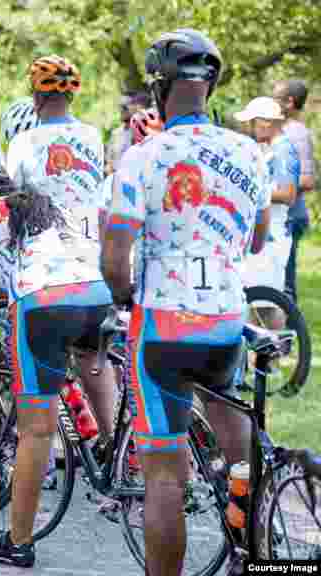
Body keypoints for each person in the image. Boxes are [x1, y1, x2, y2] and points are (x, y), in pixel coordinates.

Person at [101, 30, 270, 576]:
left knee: (165, 476)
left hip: (164, 326)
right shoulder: (249, 151)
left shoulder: (143, 155)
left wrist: (124, 293)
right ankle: (256, 539)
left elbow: (113, 256)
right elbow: (259, 238)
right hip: (225, 321)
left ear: (158, 88)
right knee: (238, 442)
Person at [0, 164, 111, 569]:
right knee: (90, 358)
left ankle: (18, 542)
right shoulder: (49, 204)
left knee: (36, 431)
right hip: (96, 291)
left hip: (41, 302)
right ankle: (113, 447)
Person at [6, 54, 117, 453]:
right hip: (93, 269)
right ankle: (116, 446)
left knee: (40, 376)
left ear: (35, 95)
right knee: (93, 355)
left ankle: (44, 451)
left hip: (46, 277)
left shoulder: (23, 142)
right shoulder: (91, 136)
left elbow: (11, 204)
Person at [238, 97, 297, 318]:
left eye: (251, 122)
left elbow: (288, 193)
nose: (249, 128)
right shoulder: (270, 149)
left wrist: (255, 192)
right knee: (258, 303)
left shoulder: (283, 150)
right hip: (267, 233)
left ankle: (275, 350)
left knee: (268, 302)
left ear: (264, 122)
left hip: (275, 236)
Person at [272, 79, 314, 302]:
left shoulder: (295, 134)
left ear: (289, 102)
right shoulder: (282, 130)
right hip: (281, 215)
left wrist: (275, 186)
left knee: (284, 282)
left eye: (276, 98)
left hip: (290, 216)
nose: (272, 102)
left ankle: (289, 333)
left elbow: (307, 181)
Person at [106, 90, 150, 174]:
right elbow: (109, 164)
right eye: (119, 107)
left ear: (136, 107)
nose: (121, 110)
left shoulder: (145, 132)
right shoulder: (115, 134)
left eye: (124, 107)